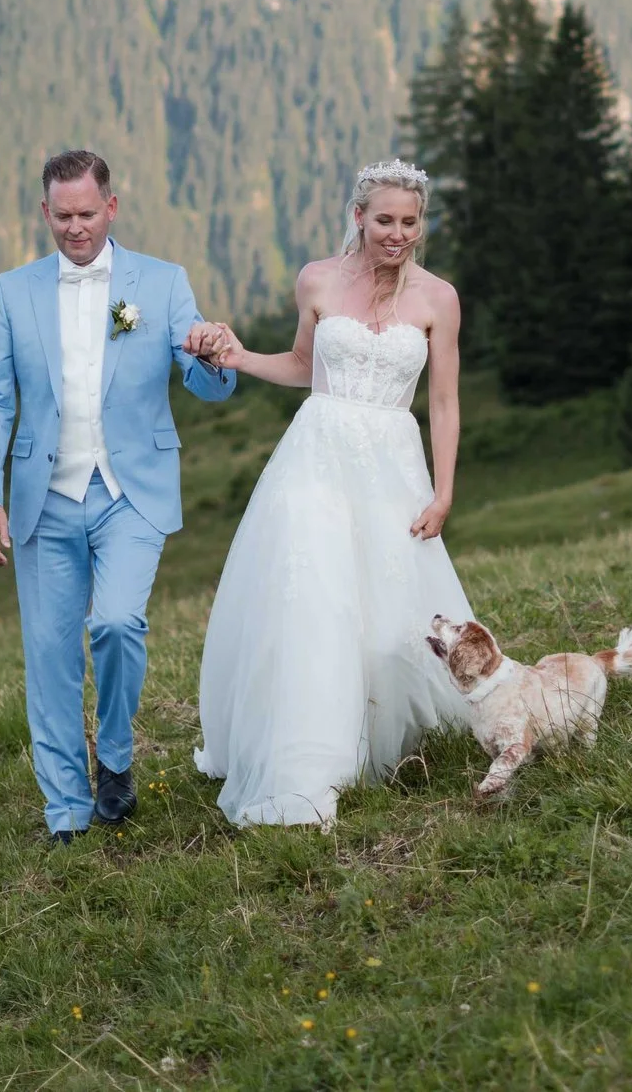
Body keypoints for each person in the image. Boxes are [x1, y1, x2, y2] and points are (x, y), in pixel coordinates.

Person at [189, 158, 474, 828]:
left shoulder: (439, 298)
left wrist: (444, 492)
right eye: (383, 220)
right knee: (313, 604)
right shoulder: (316, 279)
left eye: (409, 222)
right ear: (358, 216)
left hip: (392, 465)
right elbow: (301, 363)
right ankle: (306, 763)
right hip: (315, 460)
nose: (396, 234)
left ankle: (381, 736)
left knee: (388, 612)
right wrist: (239, 357)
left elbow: (443, 401)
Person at [0, 150, 237, 843]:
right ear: (44, 212)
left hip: (131, 493)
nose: (75, 228)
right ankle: (67, 810)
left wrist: (209, 352)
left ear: (111, 207)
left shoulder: (163, 283)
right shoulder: (13, 291)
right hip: (42, 499)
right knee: (50, 656)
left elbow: (206, 384)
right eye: (63, 216)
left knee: (116, 623)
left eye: (87, 213)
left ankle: (114, 754)